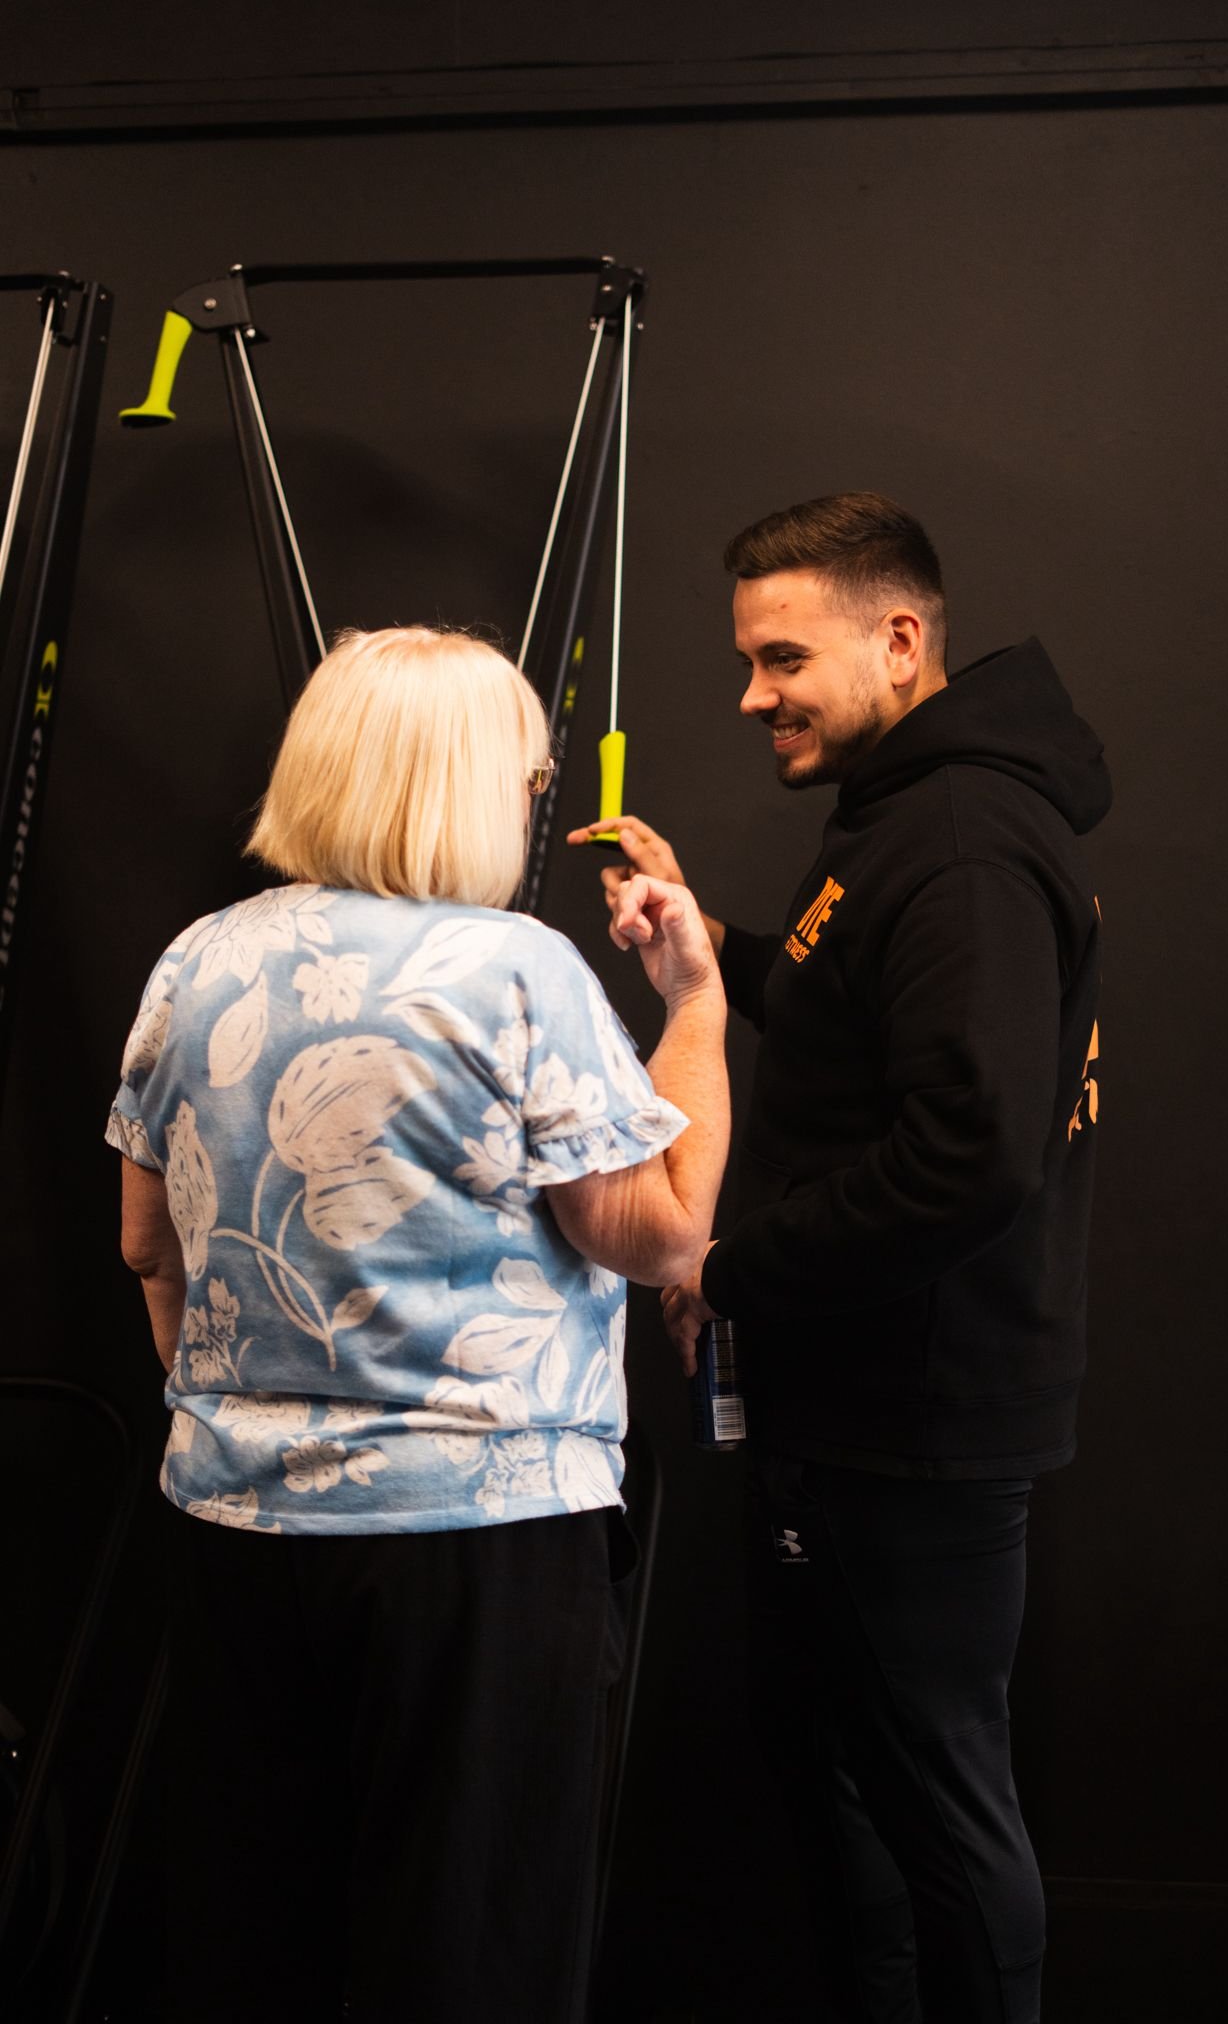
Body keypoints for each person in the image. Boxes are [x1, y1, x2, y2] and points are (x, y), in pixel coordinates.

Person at [107, 624, 728, 2024]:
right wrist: (695, 1002)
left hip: (236, 1537)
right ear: (466, 785)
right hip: (479, 1559)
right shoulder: (518, 972)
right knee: (468, 1958)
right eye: (523, 773)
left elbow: (147, 1243)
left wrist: (254, 1417)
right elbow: (667, 1230)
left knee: (256, 1941)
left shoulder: (194, 960)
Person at [570, 492, 1110, 2024]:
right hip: (851, 1403)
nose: (751, 696)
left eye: (779, 659)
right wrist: (706, 957)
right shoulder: (901, 818)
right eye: (747, 661)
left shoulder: (959, 843)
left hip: (918, 1421)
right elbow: (852, 1012)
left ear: (897, 640)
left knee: (937, 1795)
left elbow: (969, 1152)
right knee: (846, 1777)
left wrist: (723, 1268)